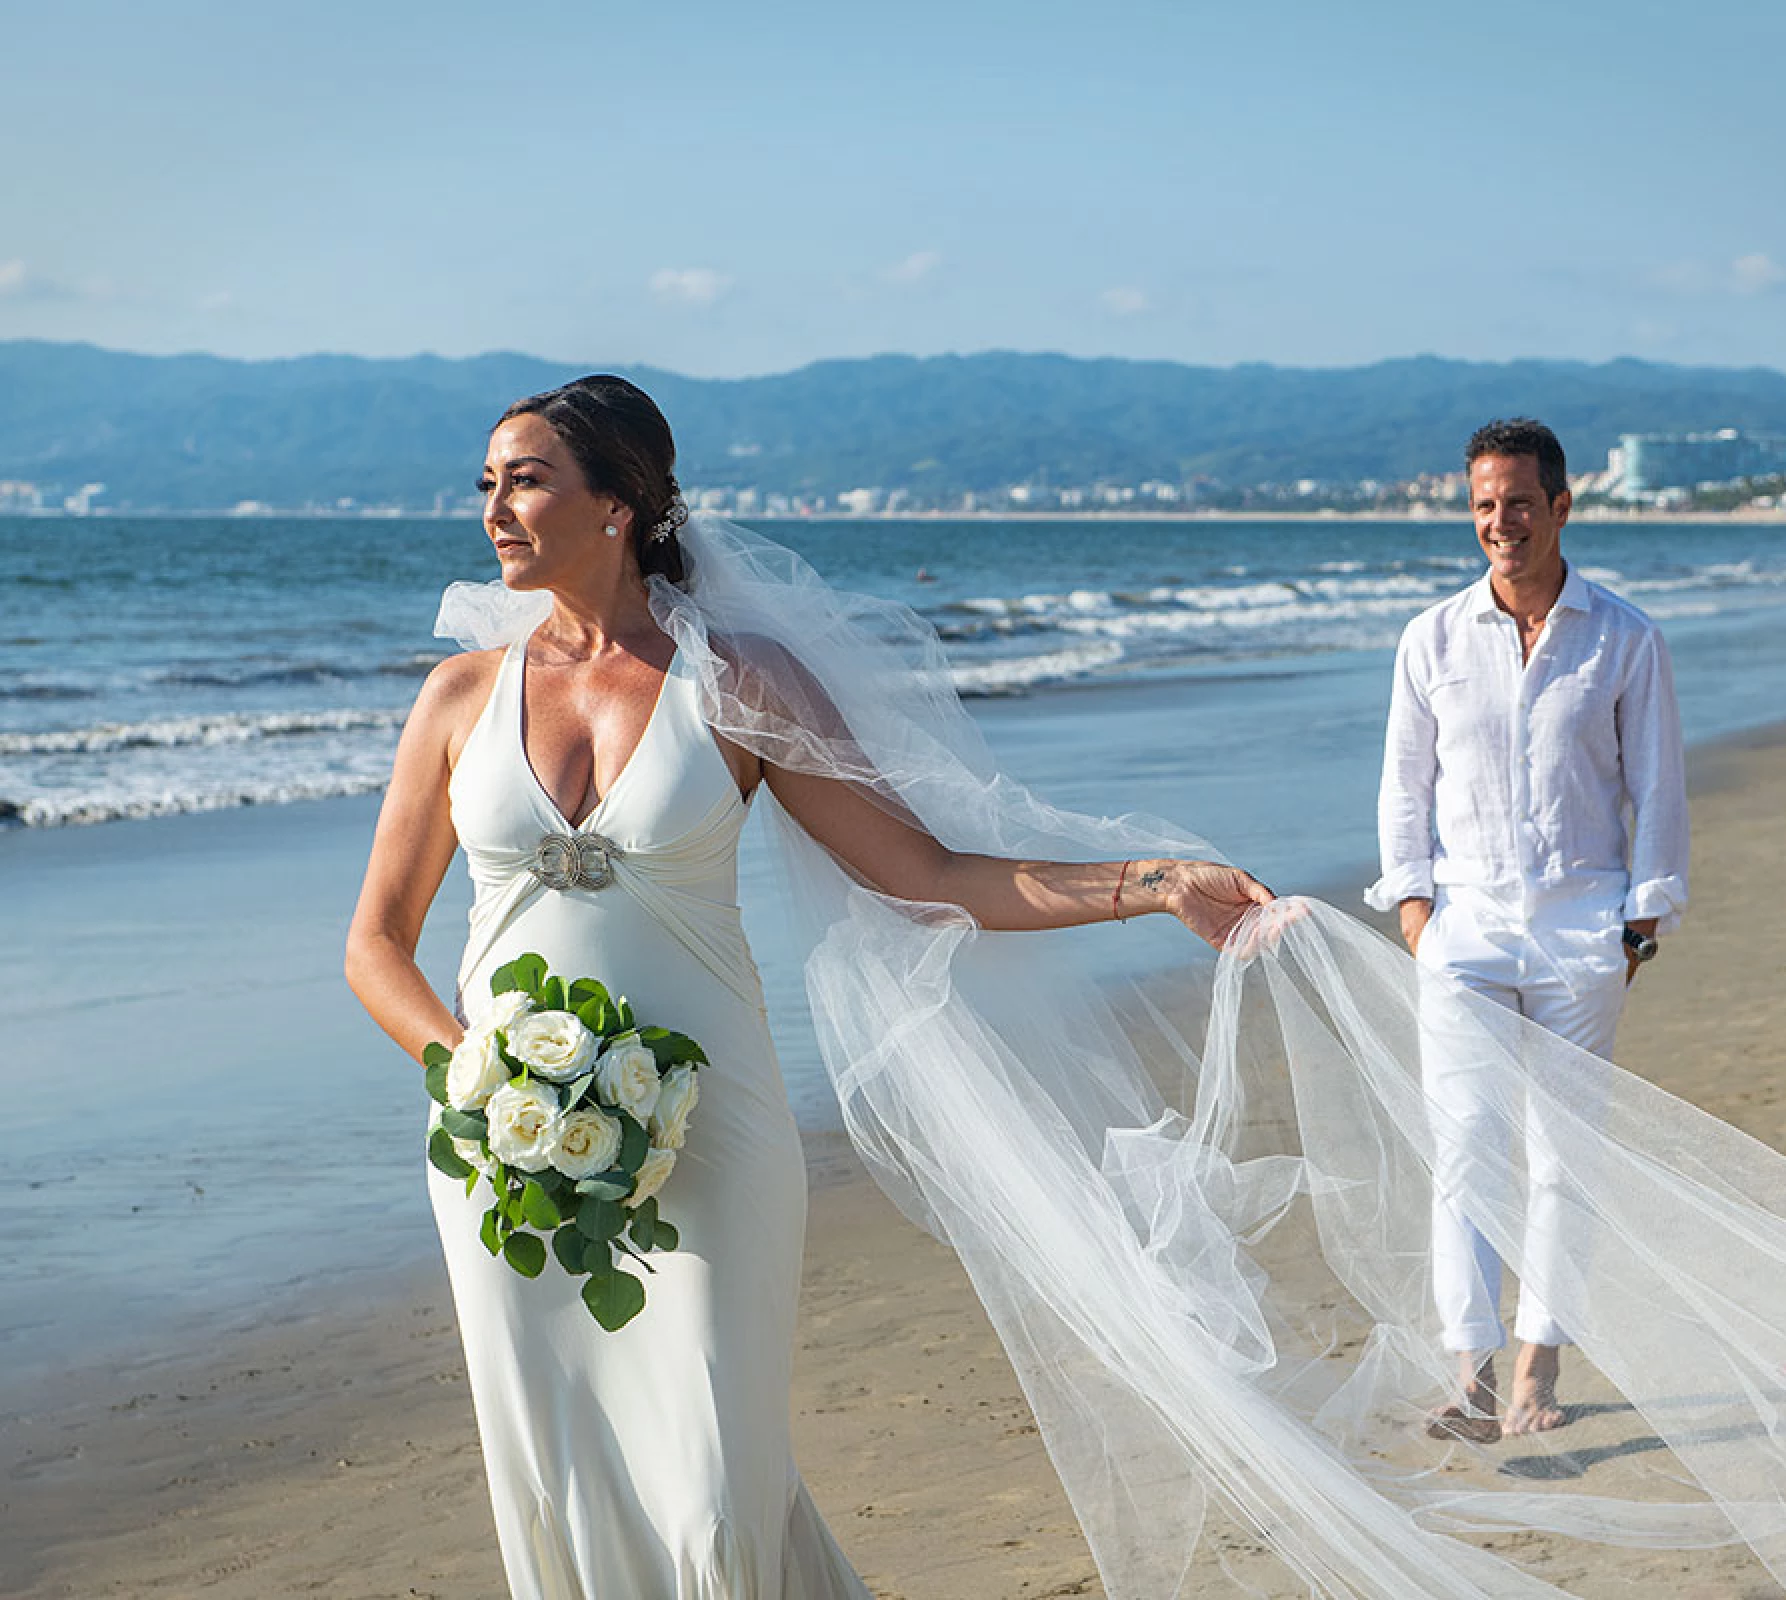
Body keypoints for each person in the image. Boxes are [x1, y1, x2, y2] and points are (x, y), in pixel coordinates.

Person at [343, 375, 1271, 1598]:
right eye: (488, 485)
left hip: (709, 1133)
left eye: (526, 480)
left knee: (718, 1480)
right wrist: (467, 1070)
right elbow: (377, 944)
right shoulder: (458, 696)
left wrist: (1150, 881)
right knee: (557, 1474)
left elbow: (924, 870)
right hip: (502, 1151)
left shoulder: (740, 682)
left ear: (618, 503)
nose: (495, 511)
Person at [1365, 417, 1689, 1442]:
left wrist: (1641, 919)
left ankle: (1536, 1373)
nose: (1497, 522)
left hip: (1580, 926)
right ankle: (1469, 1371)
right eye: (1480, 505)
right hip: (1460, 926)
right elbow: (1402, 786)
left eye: (1514, 501)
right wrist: (1415, 912)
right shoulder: (1431, 636)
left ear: (1559, 505)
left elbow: (1658, 789)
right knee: (1464, 1143)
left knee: (1561, 1158)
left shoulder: (1624, 636)